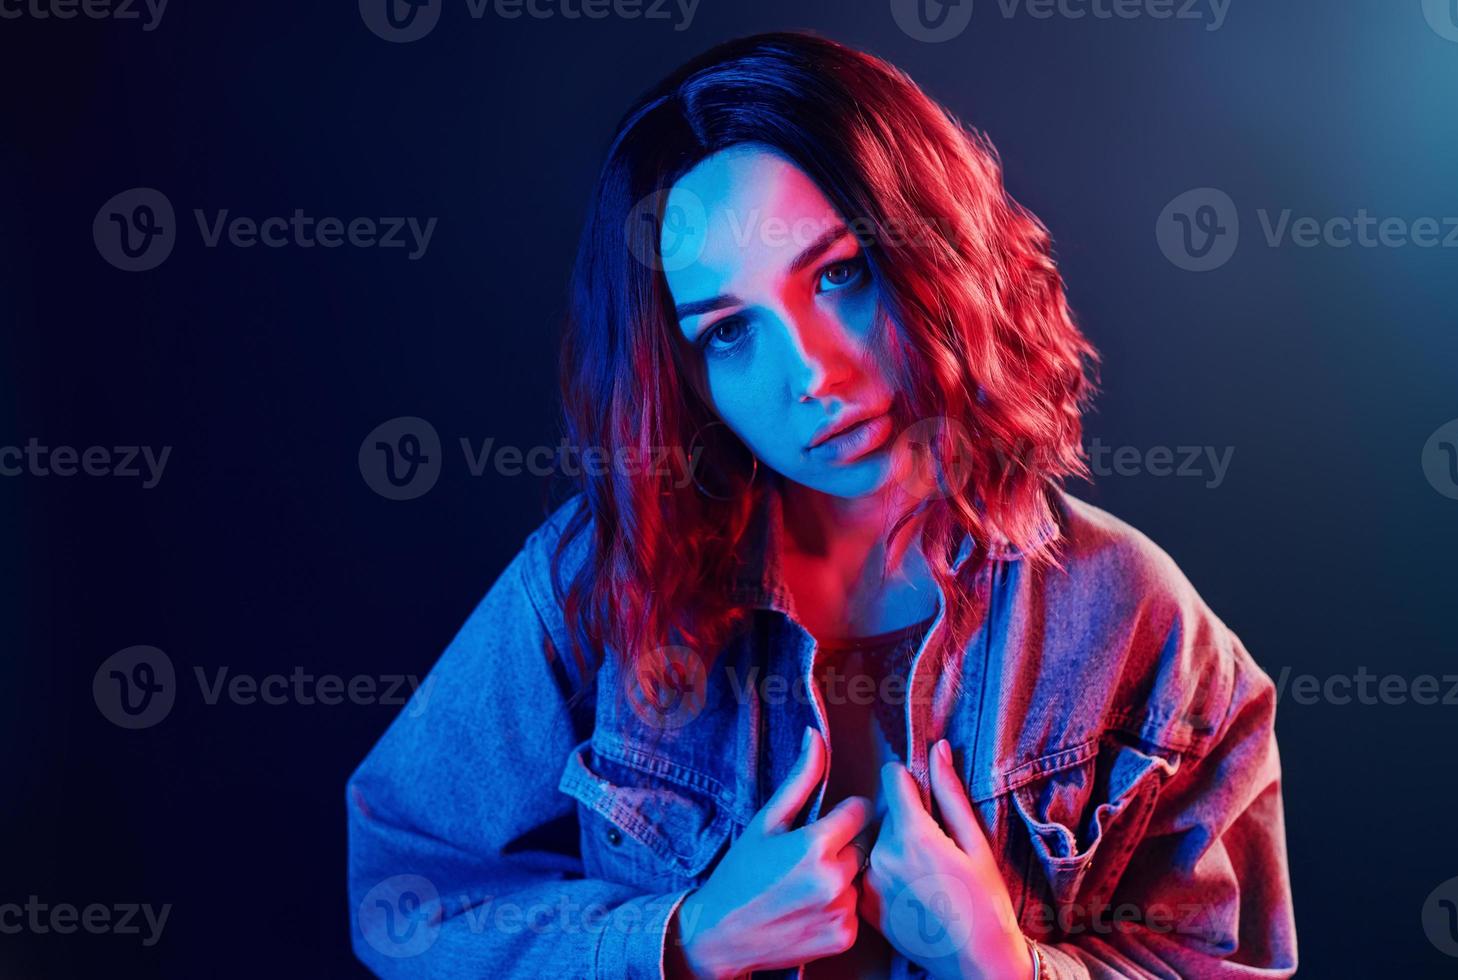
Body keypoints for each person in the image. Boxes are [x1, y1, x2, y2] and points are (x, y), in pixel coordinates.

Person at [347, 30, 1298, 979]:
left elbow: (1231, 965)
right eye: (728, 333)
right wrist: (681, 941)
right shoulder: (599, 580)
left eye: (840, 273)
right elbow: (402, 894)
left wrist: (1005, 966)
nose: (810, 374)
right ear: (680, 373)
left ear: (937, 252)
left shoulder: (1141, 621)